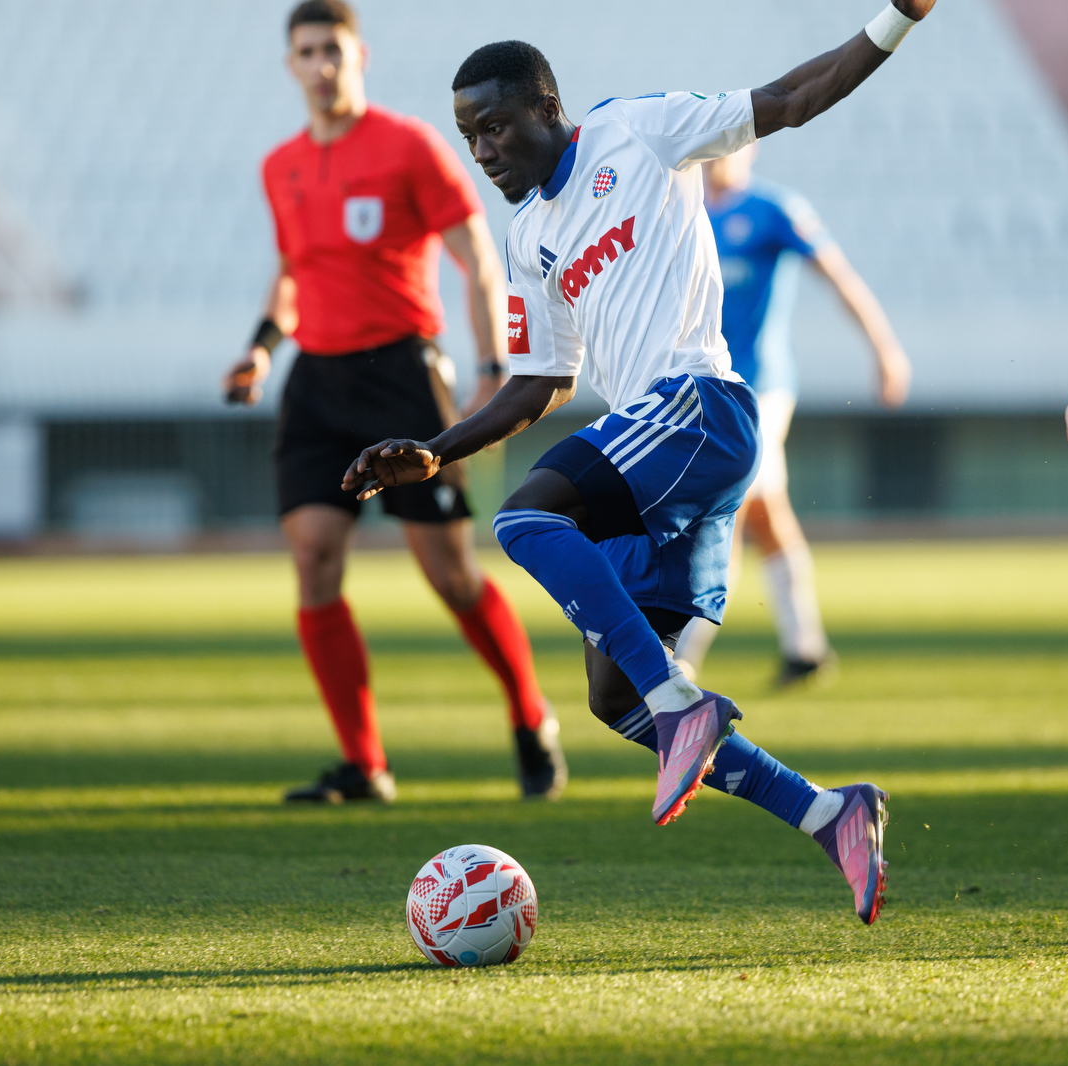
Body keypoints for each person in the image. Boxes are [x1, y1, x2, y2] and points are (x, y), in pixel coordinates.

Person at [344, 1, 938, 924]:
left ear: (549, 108)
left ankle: (682, 703)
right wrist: (437, 448)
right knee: (613, 696)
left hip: (699, 407)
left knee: (526, 520)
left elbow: (790, 97)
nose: (484, 150)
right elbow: (539, 379)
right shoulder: (527, 238)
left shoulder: (639, 130)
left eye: (496, 126)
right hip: (662, 451)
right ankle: (831, 813)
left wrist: (898, 18)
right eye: (469, 136)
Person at [223, 0, 564, 804]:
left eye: (333, 50)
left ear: (358, 55)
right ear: (291, 64)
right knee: (313, 560)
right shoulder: (282, 166)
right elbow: (292, 274)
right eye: (306, 52)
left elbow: (476, 255)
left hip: (403, 378)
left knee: (448, 574)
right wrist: (261, 350)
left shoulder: (408, 146)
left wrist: (490, 365)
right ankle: (364, 764)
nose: (321, 65)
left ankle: (529, 715)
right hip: (317, 380)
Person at [671, 144, 910, 687]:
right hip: (709, 389)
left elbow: (838, 274)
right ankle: (805, 649)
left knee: (726, 506)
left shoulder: (774, 209)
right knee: (762, 511)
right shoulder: (685, 214)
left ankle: (682, 659)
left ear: (750, 151)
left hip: (763, 387)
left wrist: (885, 349)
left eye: (731, 147)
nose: (719, 158)